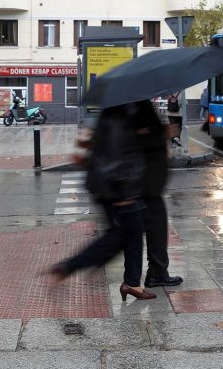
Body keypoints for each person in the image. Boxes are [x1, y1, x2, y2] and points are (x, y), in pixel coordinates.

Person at [50, 102, 156, 301]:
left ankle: (131, 283)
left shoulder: (115, 112)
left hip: (113, 185)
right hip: (117, 187)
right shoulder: (118, 116)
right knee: (119, 235)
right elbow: (116, 158)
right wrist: (125, 192)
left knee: (134, 231)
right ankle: (71, 265)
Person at [135, 100, 184, 288]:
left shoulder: (140, 102)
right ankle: (155, 273)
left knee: (154, 228)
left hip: (150, 181)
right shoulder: (137, 104)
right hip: (147, 181)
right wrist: (163, 134)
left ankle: (155, 272)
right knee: (155, 228)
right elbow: (135, 138)